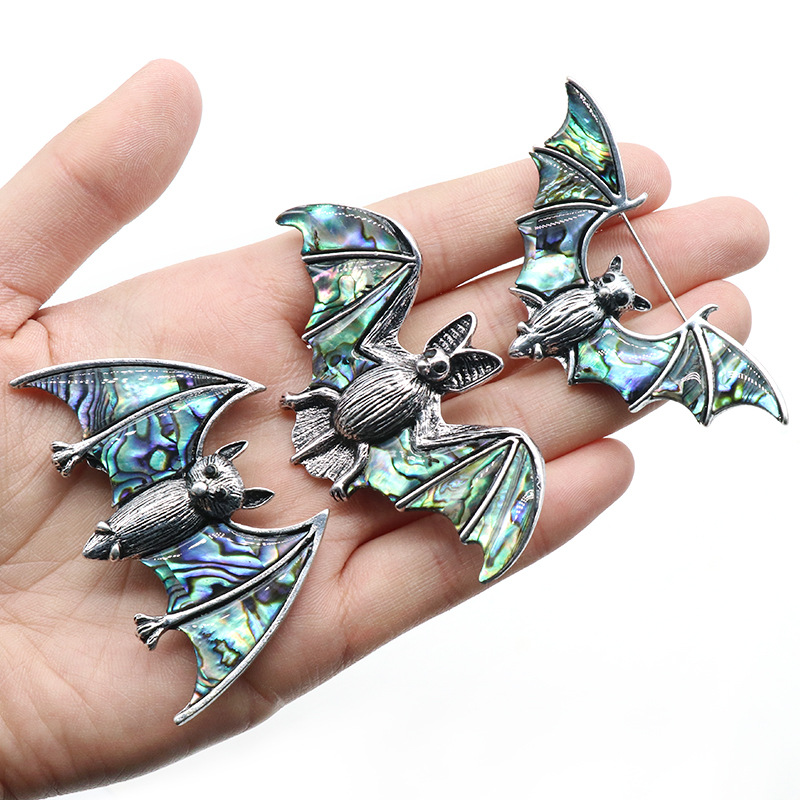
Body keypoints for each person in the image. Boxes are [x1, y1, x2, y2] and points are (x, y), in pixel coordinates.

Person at [0, 61, 765, 798]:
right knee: (399, 264)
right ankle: (91, 453)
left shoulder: (432, 408)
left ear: (457, 381)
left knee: (508, 444)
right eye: (442, 358)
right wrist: (318, 393)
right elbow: (368, 348)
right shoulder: (393, 351)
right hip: (323, 412)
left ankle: (169, 577)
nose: (441, 367)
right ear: (437, 352)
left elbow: (423, 436)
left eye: (450, 370)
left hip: (354, 448)